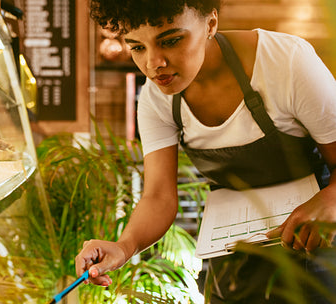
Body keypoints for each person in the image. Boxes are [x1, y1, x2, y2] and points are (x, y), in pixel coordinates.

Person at [75, 0, 336, 303]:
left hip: (316, 247)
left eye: (171, 40)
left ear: (211, 24)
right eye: (137, 48)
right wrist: (124, 246)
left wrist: (330, 199)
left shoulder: (287, 62)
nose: (153, 63)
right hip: (235, 256)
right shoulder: (156, 99)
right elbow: (159, 196)